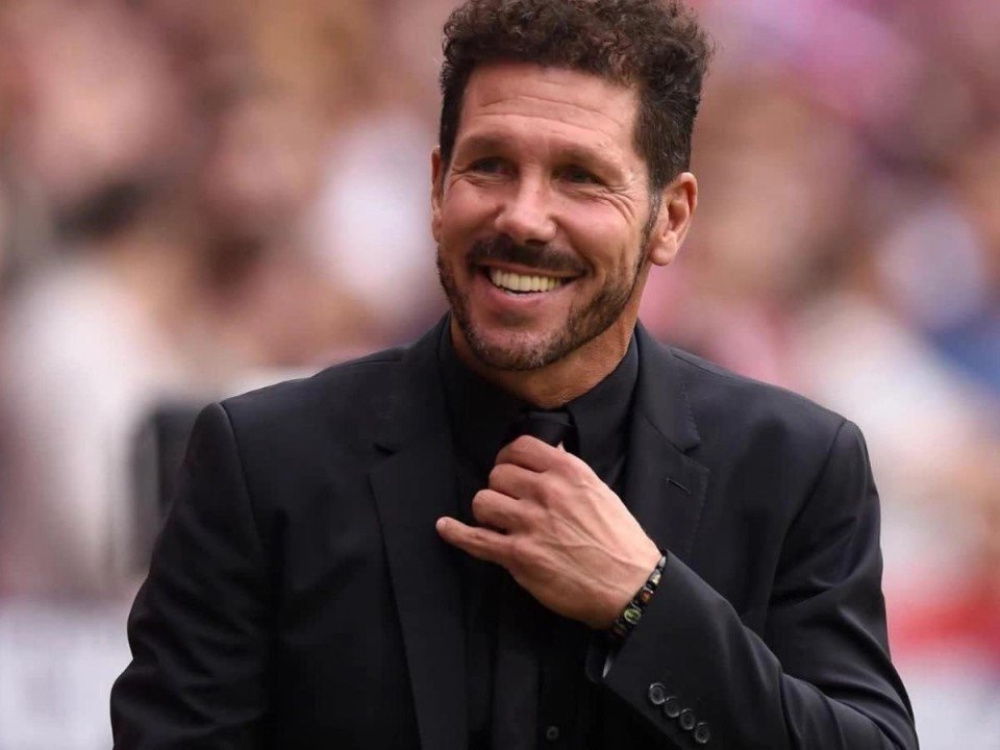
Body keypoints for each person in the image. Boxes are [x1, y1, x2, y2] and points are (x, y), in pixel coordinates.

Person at [110, 0, 919, 747]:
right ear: (437, 188)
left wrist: (646, 603)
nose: (524, 217)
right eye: (490, 166)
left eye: (580, 177)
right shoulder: (263, 465)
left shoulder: (796, 469)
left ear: (669, 218)